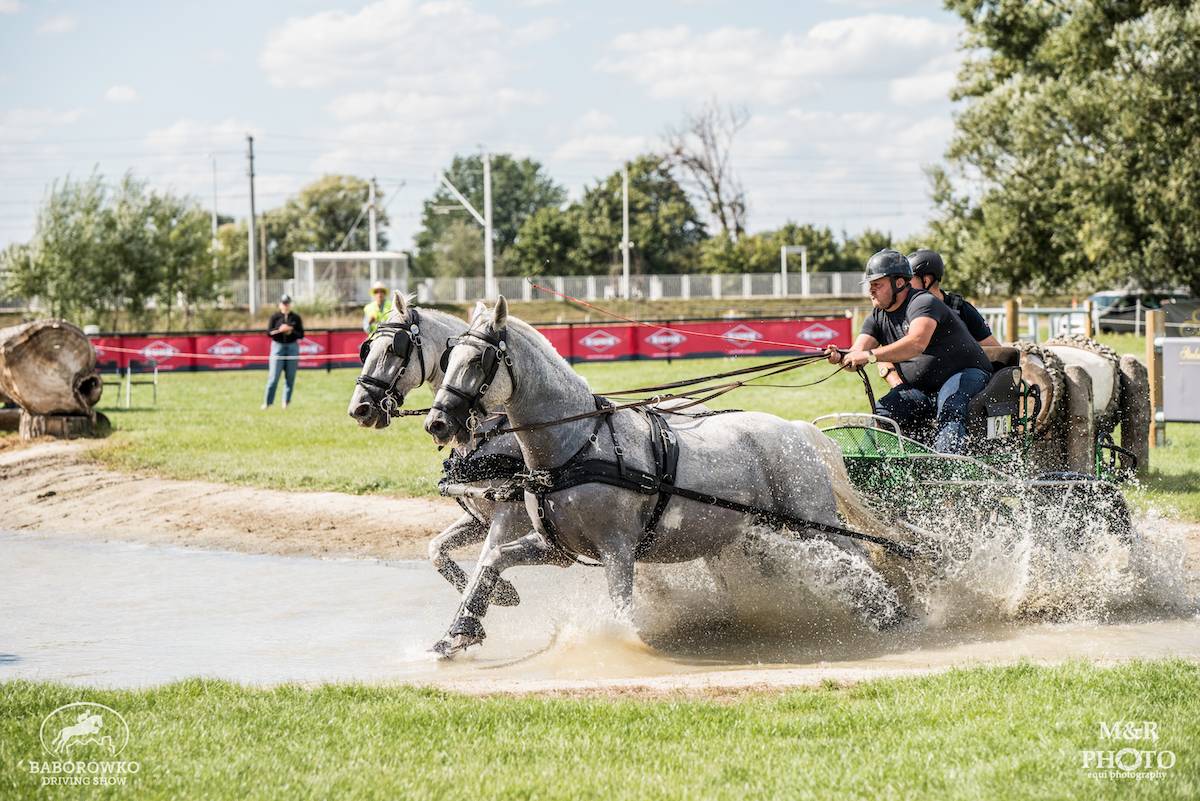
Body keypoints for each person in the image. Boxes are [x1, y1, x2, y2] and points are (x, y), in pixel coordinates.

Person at [826, 249, 993, 454]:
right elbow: (857, 352)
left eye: (877, 284)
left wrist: (869, 356)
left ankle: (948, 471)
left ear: (898, 283)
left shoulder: (923, 302)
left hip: (966, 374)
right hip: (923, 388)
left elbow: (916, 343)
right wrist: (842, 357)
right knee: (883, 412)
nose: (871, 290)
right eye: (870, 285)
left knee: (950, 404)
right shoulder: (877, 316)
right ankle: (868, 470)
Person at [907, 249, 1000, 346]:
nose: (905, 285)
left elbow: (994, 349)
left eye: (909, 280)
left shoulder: (961, 309)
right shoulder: (904, 308)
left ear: (926, 281)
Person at [262, 294, 304, 410]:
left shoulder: (296, 318)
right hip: (278, 348)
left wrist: (291, 331)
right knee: (273, 377)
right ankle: (267, 403)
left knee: (290, 377)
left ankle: (286, 402)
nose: (286, 305)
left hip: (292, 347)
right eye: (284, 303)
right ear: (280, 304)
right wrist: (280, 330)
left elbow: (301, 334)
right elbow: (268, 332)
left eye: (288, 303)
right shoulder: (275, 317)